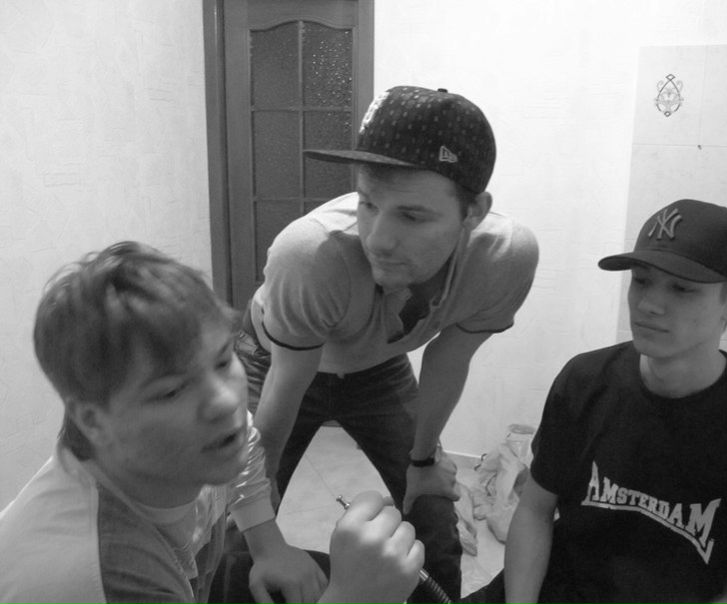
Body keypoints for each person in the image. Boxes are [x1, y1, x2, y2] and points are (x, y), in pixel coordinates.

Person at [237, 85, 539, 602]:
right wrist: (260, 529)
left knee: (434, 519)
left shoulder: (504, 258)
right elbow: (286, 387)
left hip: (377, 366)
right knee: (234, 525)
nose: (377, 238)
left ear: (473, 211)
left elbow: (449, 358)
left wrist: (422, 462)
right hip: (277, 360)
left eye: (412, 216)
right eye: (368, 203)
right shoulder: (312, 252)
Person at [0, 241, 424, 604]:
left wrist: (268, 545)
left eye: (223, 360)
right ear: (93, 420)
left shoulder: (190, 443)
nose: (225, 401)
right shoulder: (103, 576)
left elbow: (247, 447)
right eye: (171, 391)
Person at [464, 198, 727, 604]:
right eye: (641, 281)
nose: (648, 305)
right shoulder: (585, 381)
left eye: (681, 288)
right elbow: (535, 511)